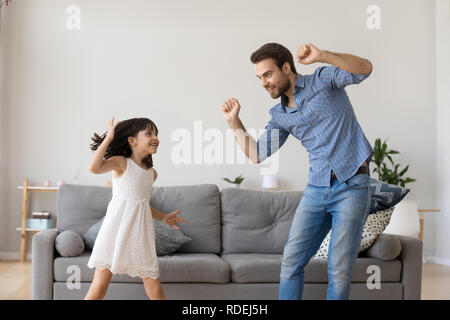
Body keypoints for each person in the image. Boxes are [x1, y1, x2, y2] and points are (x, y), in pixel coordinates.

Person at [221, 43, 373, 300]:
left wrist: (323, 55)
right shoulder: (280, 114)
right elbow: (257, 154)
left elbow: (365, 69)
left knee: (339, 268)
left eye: (267, 74)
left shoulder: (324, 80)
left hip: (351, 185)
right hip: (316, 189)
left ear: (286, 67)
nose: (263, 83)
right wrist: (234, 122)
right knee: (291, 262)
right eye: (259, 78)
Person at [85, 117, 189, 300]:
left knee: (155, 289)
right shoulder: (121, 163)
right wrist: (109, 138)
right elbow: (94, 168)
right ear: (132, 140)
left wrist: (164, 217)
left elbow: (141, 204)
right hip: (114, 232)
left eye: (156, 134)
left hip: (140, 236)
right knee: (99, 287)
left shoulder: (152, 174)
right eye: (149, 133)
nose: (155, 137)